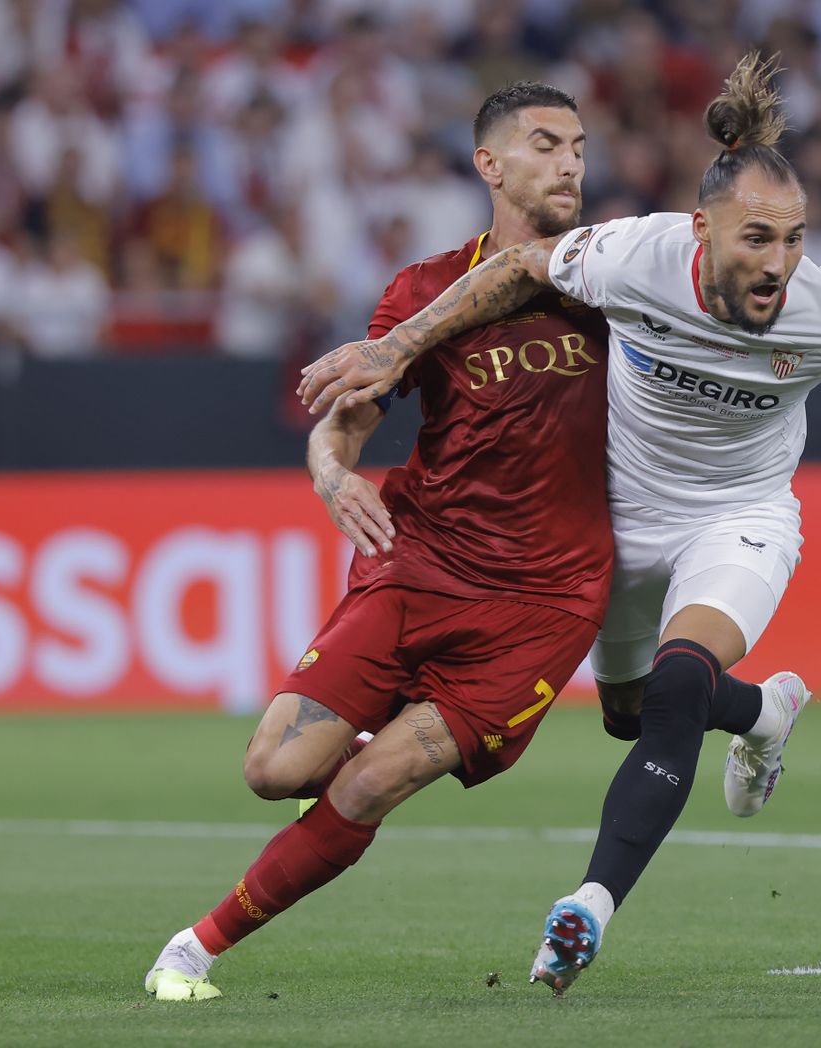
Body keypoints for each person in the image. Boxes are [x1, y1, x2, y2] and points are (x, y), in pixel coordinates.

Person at [297, 52, 821, 996]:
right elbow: (519, 267)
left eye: (795, 240)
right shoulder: (636, 256)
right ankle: (767, 712)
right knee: (629, 713)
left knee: (683, 681)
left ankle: (589, 907)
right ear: (701, 230)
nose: (776, 265)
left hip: (742, 517)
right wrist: (398, 342)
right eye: (756, 239)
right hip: (627, 519)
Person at [142, 82, 613, 1001]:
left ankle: (191, 949)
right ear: (490, 165)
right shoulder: (423, 289)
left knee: (368, 786)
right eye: (547, 145)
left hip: (543, 603)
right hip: (423, 562)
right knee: (275, 771)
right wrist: (330, 473)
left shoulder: (609, 278)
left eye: (580, 148)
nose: (570, 165)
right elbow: (346, 421)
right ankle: (361, 753)